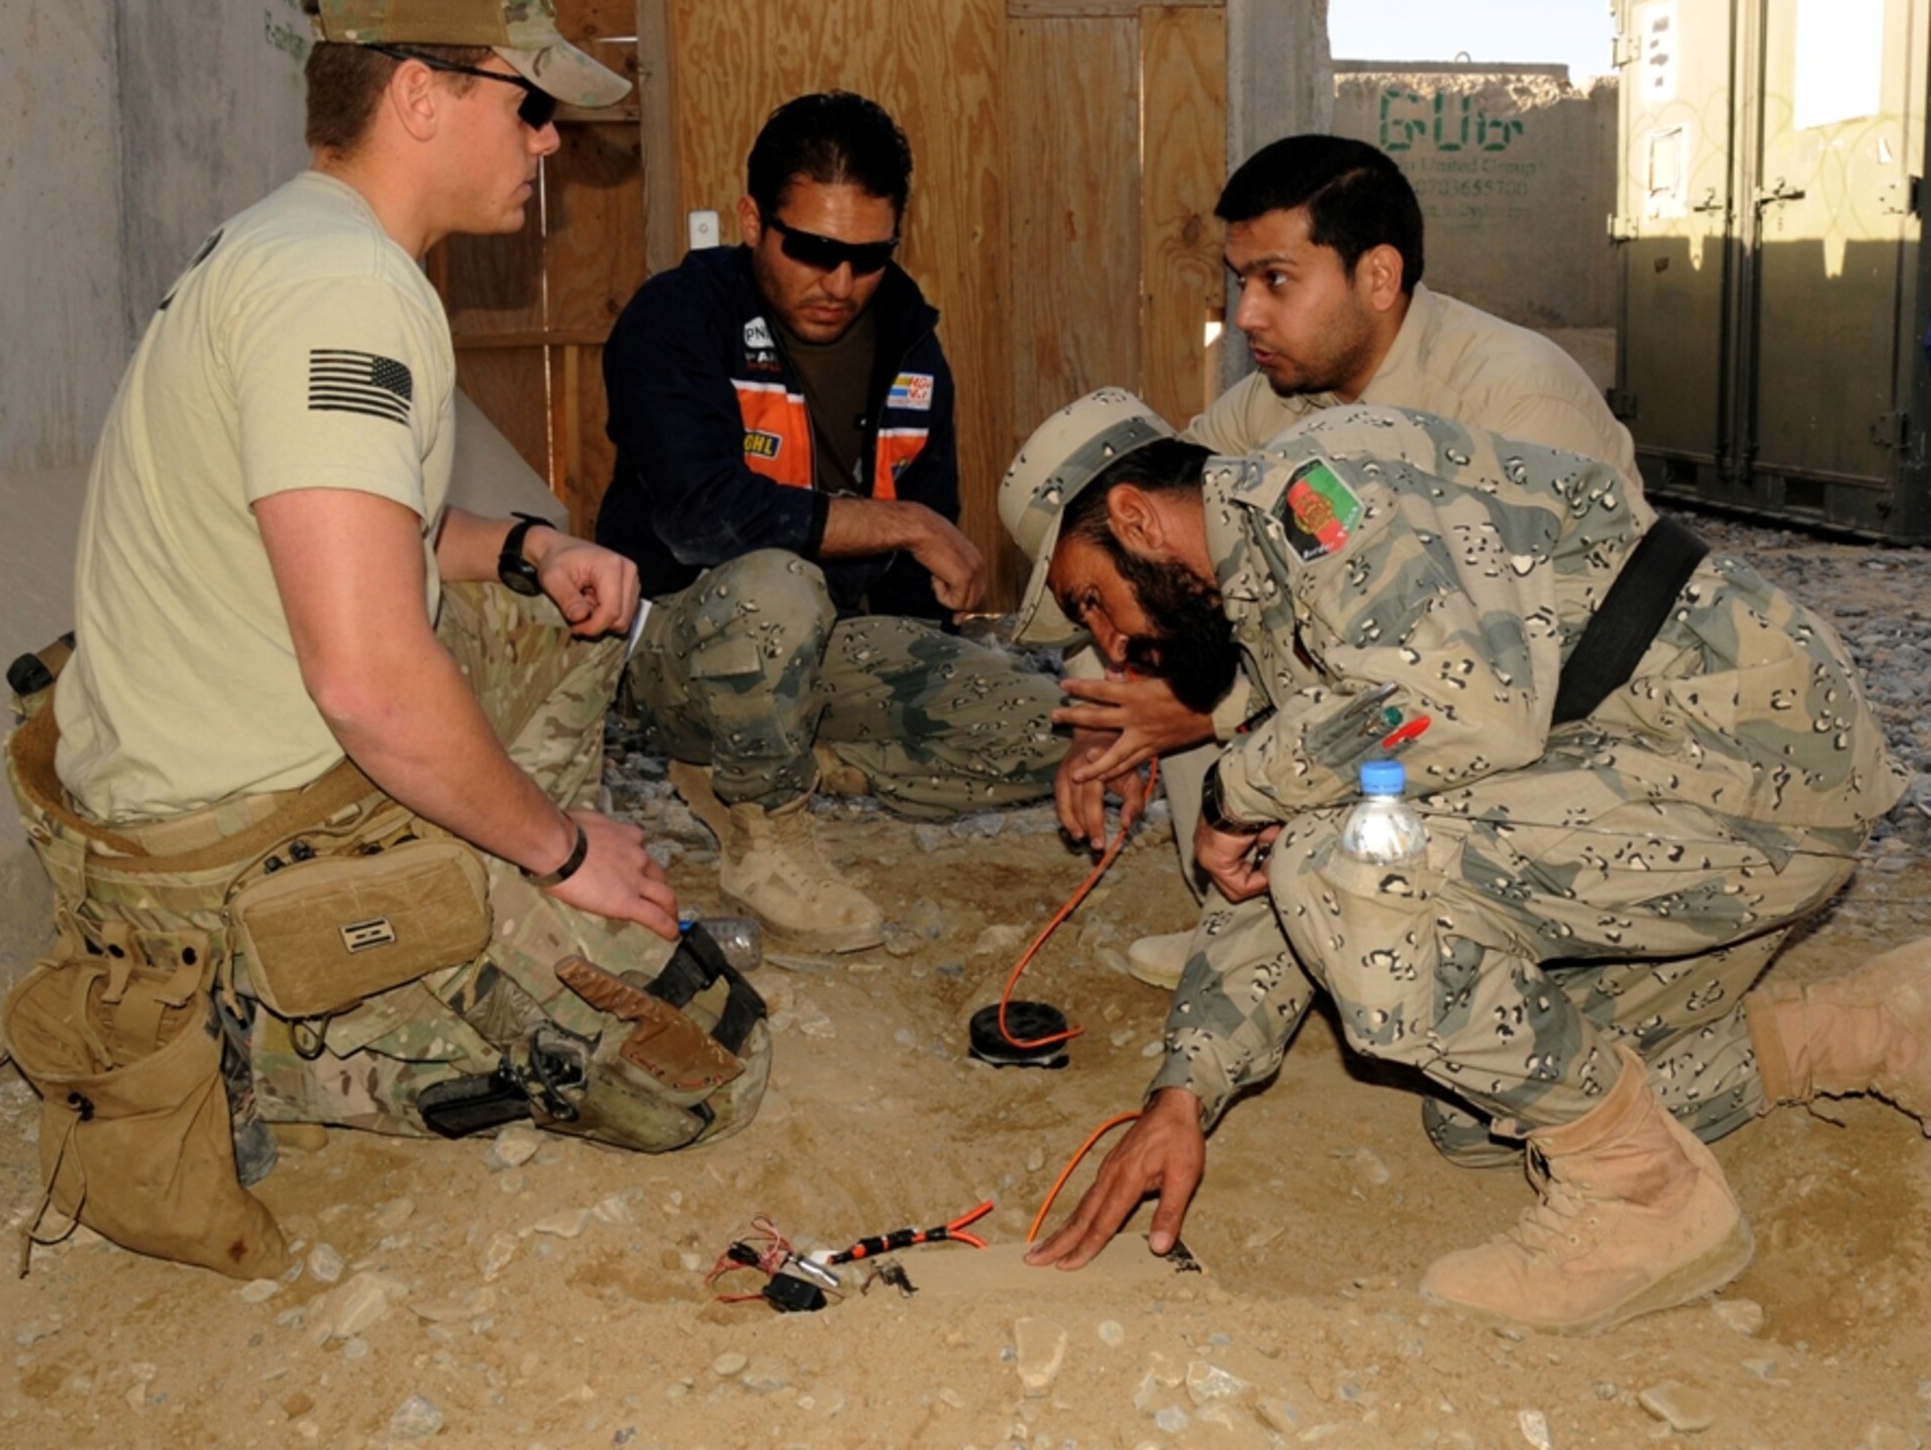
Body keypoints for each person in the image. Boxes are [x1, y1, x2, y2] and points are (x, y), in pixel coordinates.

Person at [27, 0, 766, 1167]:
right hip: (225, 849)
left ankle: (484, 869)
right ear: (420, 94)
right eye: (529, 101)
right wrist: (565, 846)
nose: (547, 138)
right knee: (701, 1068)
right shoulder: (342, 291)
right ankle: (258, 1027)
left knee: (548, 601)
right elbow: (368, 676)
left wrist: (530, 545)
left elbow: (371, 537)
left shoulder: (295, 245)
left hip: (213, 771)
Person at [1000, 388, 1916, 1333]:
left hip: (1745, 761)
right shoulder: (1270, 608)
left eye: (1093, 602)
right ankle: (1858, 1030)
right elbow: (1265, 874)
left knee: (1349, 865)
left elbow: (1463, 705)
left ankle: (1645, 1199)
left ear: (1135, 517)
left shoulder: (1304, 490)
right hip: (1688, 797)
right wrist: (1184, 1092)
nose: (1113, 646)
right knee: (1481, 1109)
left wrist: (1237, 787)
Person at [1045, 135, 1644, 990]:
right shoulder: (1288, 393)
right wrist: (1114, 709)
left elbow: (1507, 688)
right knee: (1177, 623)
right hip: (1423, 696)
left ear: (1378, 277)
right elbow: (1153, 527)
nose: (1247, 314)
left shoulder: (1514, 395)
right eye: (1241, 281)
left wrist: (1208, 716)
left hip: (1558, 726)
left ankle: (1379, 930)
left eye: (1276, 281)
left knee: (1240, 678)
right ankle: (1250, 921)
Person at [596, 92, 1063, 953]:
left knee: (1053, 731)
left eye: (867, 256)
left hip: (824, 652)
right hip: (681, 647)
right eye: (812, 249)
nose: (839, 283)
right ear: (751, 220)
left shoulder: (912, 346)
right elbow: (703, 520)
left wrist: (922, 650)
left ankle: (781, 759)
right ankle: (764, 835)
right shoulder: (674, 321)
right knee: (778, 579)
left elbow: (917, 583)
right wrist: (906, 522)